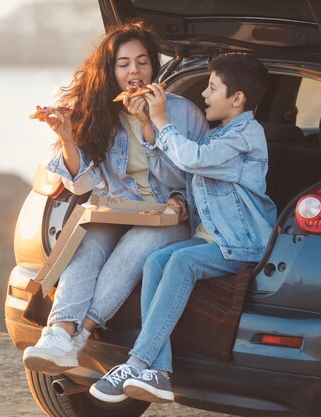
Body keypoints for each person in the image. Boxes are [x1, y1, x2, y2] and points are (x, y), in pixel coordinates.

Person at [21, 22, 209, 375]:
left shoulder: (183, 113)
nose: (134, 72)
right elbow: (82, 183)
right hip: (118, 209)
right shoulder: (99, 112)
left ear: (154, 67)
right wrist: (66, 137)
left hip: (170, 216)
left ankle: (82, 335)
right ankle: (59, 333)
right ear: (111, 72)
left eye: (142, 62)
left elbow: (190, 179)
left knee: (137, 245)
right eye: (124, 65)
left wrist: (152, 124)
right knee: (85, 242)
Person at [89, 53, 277, 403]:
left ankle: (138, 360)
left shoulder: (247, 136)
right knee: (155, 262)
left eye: (212, 87)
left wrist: (162, 119)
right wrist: (149, 126)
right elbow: (179, 165)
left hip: (242, 243)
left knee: (181, 263)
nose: (203, 94)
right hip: (215, 239)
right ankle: (158, 373)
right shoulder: (219, 134)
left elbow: (192, 159)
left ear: (237, 99)